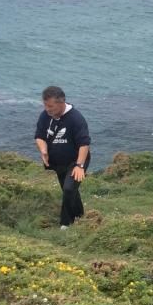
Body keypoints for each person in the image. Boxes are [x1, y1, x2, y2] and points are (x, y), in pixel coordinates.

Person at [34, 86, 91, 229]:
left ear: (61, 103)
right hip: (58, 162)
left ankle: (65, 223)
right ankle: (80, 215)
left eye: (50, 106)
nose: (47, 109)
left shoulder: (76, 118)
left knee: (69, 189)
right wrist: (43, 150)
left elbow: (84, 144)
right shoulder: (45, 116)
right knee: (70, 191)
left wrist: (80, 166)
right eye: (45, 105)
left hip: (76, 160)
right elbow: (39, 136)